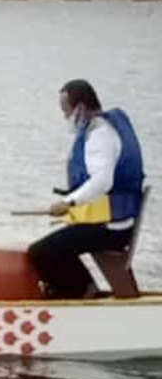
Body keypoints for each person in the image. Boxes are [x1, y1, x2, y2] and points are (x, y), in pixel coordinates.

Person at [28, 79, 145, 299]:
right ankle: (85, 291)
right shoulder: (103, 127)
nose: (65, 117)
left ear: (80, 108)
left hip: (113, 229)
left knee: (41, 252)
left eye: (66, 111)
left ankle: (79, 296)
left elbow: (102, 182)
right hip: (116, 220)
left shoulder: (100, 135)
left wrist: (69, 202)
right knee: (56, 246)